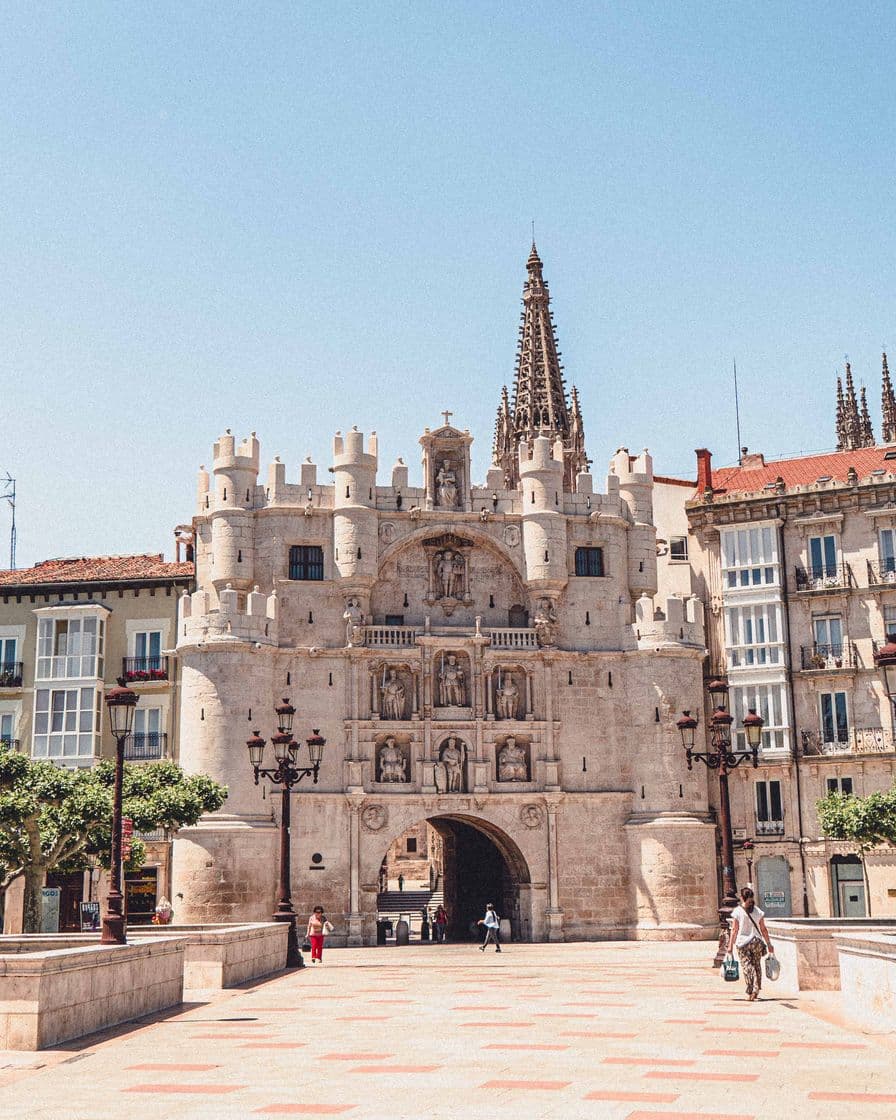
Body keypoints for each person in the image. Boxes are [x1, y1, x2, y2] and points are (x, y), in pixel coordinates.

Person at [726, 886, 773, 1000]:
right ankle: (756, 989)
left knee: (747, 966)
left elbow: (734, 930)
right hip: (757, 941)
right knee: (757, 965)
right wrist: (769, 943)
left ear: (742, 898)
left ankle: (751, 988)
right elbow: (763, 929)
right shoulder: (758, 911)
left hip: (743, 943)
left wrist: (730, 946)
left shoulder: (737, 911)